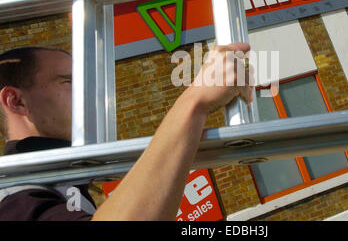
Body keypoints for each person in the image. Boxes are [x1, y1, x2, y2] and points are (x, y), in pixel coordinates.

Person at [0, 43, 253, 221]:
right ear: (16, 101)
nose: (89, 94)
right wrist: (195, 102)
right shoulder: (11, 197)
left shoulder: (61, 179)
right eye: (68, 82)